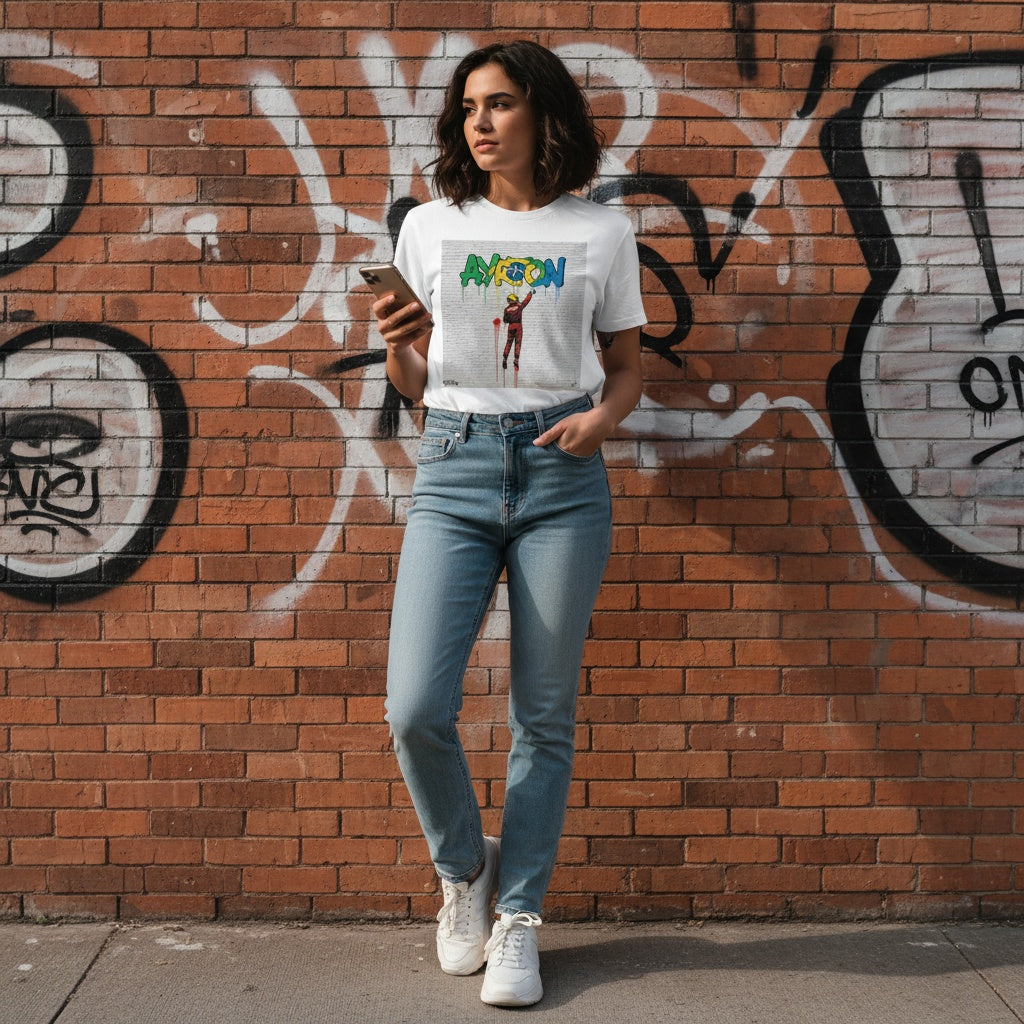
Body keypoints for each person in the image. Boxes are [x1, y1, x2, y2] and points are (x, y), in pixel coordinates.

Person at [372, 39, 645, 1008]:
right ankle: (464, 872)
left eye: (497, 105)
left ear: (543, 115)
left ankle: (520, 916)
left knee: (542, 714)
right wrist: (400, 350)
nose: (479, 125)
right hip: (451, 464)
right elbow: (411, 385)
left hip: (561, 478)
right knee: (415, 707)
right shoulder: (432, 227)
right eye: (468, 109)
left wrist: (601, 420)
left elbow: (627, 362)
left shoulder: (601, 234)